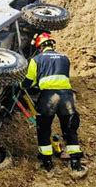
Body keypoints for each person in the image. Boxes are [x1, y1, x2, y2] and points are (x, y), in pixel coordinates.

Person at [22, 32, 88, 178]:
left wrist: (19, 85)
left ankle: (47, 164)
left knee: (44, 130)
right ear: (52, 45)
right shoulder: (65, 58)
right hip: (67, 97)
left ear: (40, 47)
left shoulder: (36, 59)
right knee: (70, 130)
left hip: (48, 98)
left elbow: (29, 82)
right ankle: (76, 165)